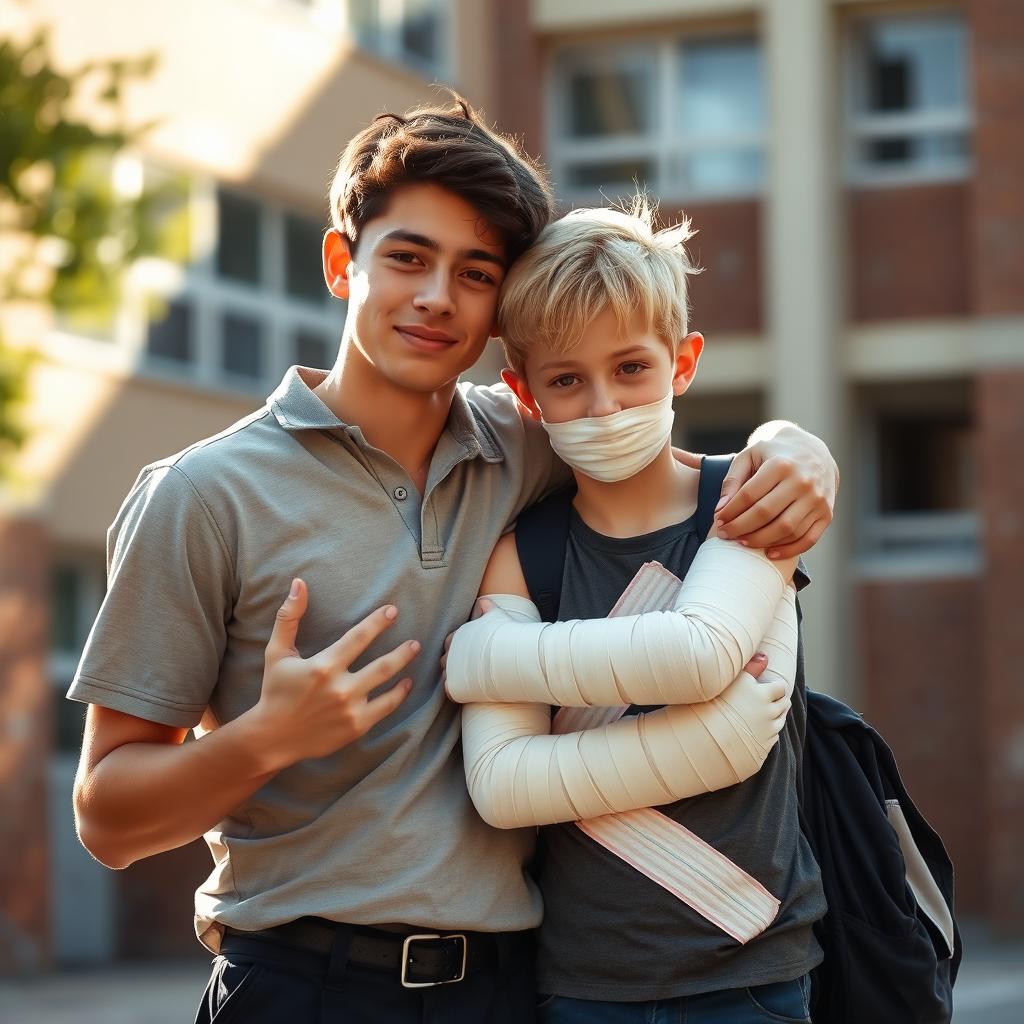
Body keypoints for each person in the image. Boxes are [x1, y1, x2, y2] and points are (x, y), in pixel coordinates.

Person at [68, 101, 836, 1023]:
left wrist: (796, 447)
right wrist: (266, 738)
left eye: (474, 273)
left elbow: (650, 426)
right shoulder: (201, 495)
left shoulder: (536, 442)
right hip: (302, 984)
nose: (437, 296)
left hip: (511, 986)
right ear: (340, 262)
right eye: (406, 257)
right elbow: (107, 818)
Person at [444, 202, 826, 1023]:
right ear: (524, 392)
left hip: (752, 972)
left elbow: (699, 656)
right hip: (584, 983)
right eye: (567, 380)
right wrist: (706, 731)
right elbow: (501, 787)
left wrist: (478, 660)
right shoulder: (525, 551)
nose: (605, 406)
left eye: (631, 369)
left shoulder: (749, 499)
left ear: (682, 362)